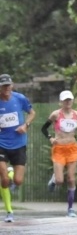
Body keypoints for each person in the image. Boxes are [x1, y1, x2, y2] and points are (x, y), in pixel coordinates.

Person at [41, 90, 77, 217]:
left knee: (71, 178)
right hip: (59, 149)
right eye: (65, 100)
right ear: (61, 102)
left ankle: (70, 209)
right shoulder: (55, 115)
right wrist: (51, 138)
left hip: (72, 149)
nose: (68, 102)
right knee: (59, 181)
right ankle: (54, 179)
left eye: (70, 100)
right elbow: (43, 128)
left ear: (72, 101)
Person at [0, 73, 35, 223]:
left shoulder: (19, 98)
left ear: (12, 85)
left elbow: (32, 113)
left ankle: (11, 172)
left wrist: (25, 125)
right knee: (4, 179)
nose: (7, 88)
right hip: (1, 144)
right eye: (4, 86)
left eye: (9, 85)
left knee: (18, 181)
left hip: (19, 144)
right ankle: (9, 211)